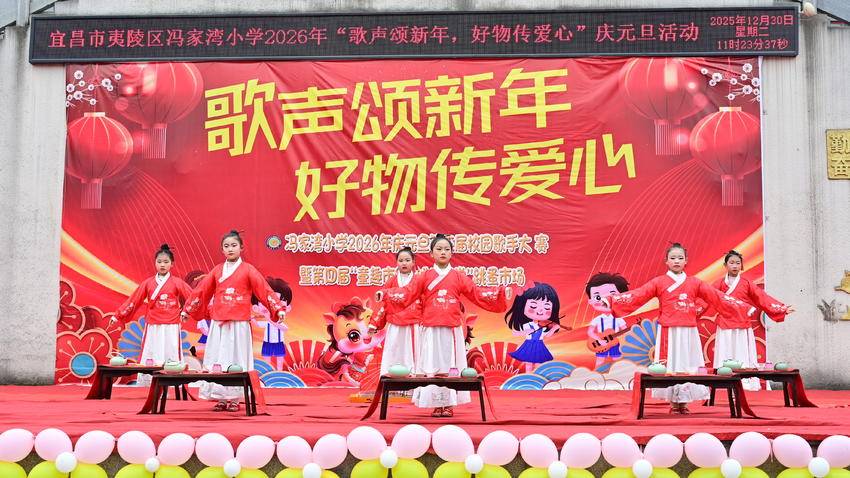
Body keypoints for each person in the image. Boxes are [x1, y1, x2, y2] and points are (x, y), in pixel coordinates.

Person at [603, 243, 755, 414]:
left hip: (689, 332)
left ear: (686, 261)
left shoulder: (695, 282)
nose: (676, 261)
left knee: (688, 365)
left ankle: (684, 401)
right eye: (673, 258)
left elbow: (717, 297)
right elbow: (639, 294)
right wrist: (612, 300)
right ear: (666, 261)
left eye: (680, 258)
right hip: (669, 331)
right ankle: (674, 403)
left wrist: (742, 307)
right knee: (671, 365)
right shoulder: (659, 282)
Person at [376, 234, 511, 418]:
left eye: (447, 249)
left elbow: (476, 293)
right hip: (430, 328)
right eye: (439, 249)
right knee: (431, 366)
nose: (443, 252)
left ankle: (448, 404)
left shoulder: (458, 276)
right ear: (431, 253)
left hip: (452, 328)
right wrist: (385, 294)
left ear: (451, 253)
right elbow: (408, 293)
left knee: (450, 366)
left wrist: (500, 293)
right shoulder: (424, 276)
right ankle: (435, 403)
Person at [182, 230, 289, 412]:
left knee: (237, 360)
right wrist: (187, 309)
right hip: (219, 323)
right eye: (226, 246)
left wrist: (278, 308)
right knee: (217, 359)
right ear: (222, 250)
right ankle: (220, 397)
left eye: (233, 245)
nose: (230, 249)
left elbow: (264, 290)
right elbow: (201, 291)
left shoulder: (248, 270)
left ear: (241, 248)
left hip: (239, 323)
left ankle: (234, 398)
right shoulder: (217, 270)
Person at [711, 250, 794, 390]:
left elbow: (761, 297)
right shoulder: (719, 283)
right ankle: (723, 381)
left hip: (742, 324)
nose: (735, 266)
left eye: (738, 263)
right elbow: (706, 297)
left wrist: (781, 309)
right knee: (725, 353)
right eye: (731, 263)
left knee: (742, 353)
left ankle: (745, 382)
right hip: (725, 323)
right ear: (725, 265)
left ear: (741, 266)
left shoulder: (746, 283)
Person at [111, 244, 193, 385]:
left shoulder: (177, 282)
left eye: (166, 262)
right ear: (155, 263)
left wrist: (186, 311)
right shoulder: (148, 283)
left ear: (172, 264)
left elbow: (193, 297)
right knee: (151, 353)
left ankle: (172, 381)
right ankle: (149, 382)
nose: (162, 265)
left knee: (171, 353)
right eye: (159, 262)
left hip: (171, 325)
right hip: (153, 325)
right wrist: (117, 315)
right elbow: (134, 300)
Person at [368, 247, 422, 376]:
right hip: (394, 324)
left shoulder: (419, 281)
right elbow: (383, 304)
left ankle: (414, 381)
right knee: (393, 351)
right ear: (396, 262)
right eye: (401, 260)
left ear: (413, 262)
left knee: (413, 354)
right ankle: (390, 380)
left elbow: (425, 302)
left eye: (407, 260)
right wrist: (374, 323)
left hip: (413, 325)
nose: (404, 263)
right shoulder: (391, 281)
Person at [505, 282, 562, 373]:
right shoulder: (527, 325)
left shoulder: (543, 325)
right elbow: (516, 333)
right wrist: (526, 331)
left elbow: (547, 336)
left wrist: (554, 328)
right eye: (533, 306)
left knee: (538, 363)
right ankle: (528, 375)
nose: (540, 311)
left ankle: (536, 376)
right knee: (528, 363)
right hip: (529, 344)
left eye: (547, 307)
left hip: (539, 345)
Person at [585, 272, 630, 370]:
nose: (605, 300)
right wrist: (599, 340)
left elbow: (626, 332)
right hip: (600, 344)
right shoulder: (597, 320)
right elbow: (590, 332)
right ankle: (596, 376)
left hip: (615, 343)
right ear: (590, 301)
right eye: (598, 297)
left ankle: (619, 376)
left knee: (617, 360)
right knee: (600, 361)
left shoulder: (619, 319)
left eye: (612, 295)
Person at [252, 277, 292, 371]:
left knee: (279, 361)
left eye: (278, 301)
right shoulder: (266, 322)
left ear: (288, 307)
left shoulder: (279, 320)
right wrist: (251, 318)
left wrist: (269, 319)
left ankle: (279, 372)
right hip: (267, 342)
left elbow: (284, 328)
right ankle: (268, 373)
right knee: (267, 361)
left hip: (279, 343)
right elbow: (257, 324)